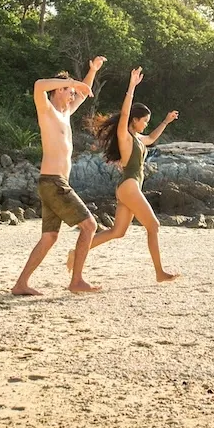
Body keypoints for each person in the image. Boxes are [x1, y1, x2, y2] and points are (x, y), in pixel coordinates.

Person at [11, 57, 105, 296]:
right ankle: (77, 281)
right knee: (90, 226)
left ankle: (21, 284)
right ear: (58, 90)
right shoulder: (47, 111)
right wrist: (71, 82)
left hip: (54, 182)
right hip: (54, 182)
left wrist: (92, 71)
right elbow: (38, 85)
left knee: (50, 237)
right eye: (69, 91)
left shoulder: (65, 113)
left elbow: (83, 93)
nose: (73, 95)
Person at [78, 67, 180, 282]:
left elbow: (151, 139)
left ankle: (75, 254)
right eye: (144, 121)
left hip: (128, 187)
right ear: (135, 120)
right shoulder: (124, 136)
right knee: (153, 225)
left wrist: (165, 121)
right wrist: (131, 86)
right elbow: (124, 114)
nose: (146, 124)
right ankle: (159, 272)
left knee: (117, 232)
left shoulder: (138, 139)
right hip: (129, 186)